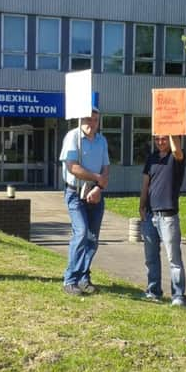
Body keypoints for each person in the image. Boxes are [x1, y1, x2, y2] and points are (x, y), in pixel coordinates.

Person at [59, 107, 109, 295]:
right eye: (88, 119)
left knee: (92, 239)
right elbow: (73, 167)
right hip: (76, 193)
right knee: (80, 234)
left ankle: (83, 277)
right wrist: (96, 178)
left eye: (95, 120)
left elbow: (106, 168)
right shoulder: (73, 137)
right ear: (81, 120)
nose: (92, 123)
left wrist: (98, 187)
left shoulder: (101, 140)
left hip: (96, 194)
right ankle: (69, 279)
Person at [139, 135, 186, 306]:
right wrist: (141, 205)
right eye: (157, 139)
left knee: (174, 259)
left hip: (168, 217)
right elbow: (146, 183)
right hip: (150, 215)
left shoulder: (176, 158)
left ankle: (178, 295)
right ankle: (153, 291)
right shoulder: (151, 158)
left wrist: (172, 126)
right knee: (151, 258)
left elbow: (177, 150)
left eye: (164, 139)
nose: (160, 142)